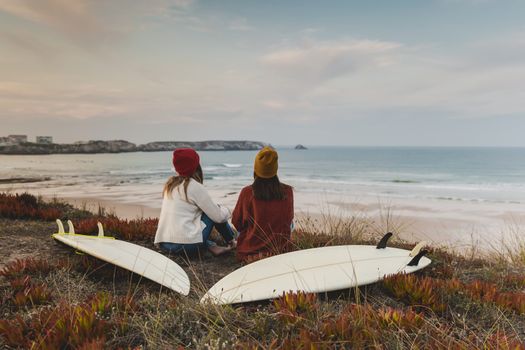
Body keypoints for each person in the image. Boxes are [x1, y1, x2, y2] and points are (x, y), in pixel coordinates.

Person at [154, 148, 236, 256]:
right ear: (196, 166)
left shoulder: (170, 185)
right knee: (214, 211)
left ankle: (211, 246)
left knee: (201, 213)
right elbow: (219, 217)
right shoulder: (193, 186)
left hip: (164, 244)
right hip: (187, 246)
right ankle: (232, 242)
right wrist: (227, 210)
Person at [232, 146, 294, 262]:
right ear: (275, 169)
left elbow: (237, 222)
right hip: (281, 253)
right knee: (291, 225)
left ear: (256, 169)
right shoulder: (288, 191)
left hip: (250, 254)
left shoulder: (247, 193)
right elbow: (289, 220)